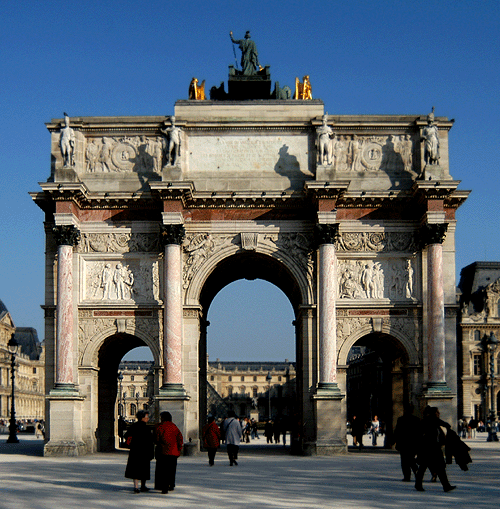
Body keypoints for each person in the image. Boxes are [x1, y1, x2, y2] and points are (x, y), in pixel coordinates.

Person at [415, 407, 456, 492]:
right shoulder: (432, 420)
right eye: (437, 412)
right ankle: (445, 485)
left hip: (431, 447)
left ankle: (419, 484)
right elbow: (446, 424)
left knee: (425, 467)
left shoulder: (427, 421)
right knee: (430, 467)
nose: (439, 413)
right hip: (431, 448)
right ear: (434, 413)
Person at [124, 410, 154, 493]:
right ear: (142, 418)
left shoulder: (133, 426)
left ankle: (136, 487)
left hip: (135, 450)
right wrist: (152, 453)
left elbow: (126, 435)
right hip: (144, 451)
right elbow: (150, 441)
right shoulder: (146, 428)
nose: (148, 418)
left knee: (135, 469)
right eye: (147, 417)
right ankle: (143, 486)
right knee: (144, 469)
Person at [154, 411, 183, 494]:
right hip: (173, 452)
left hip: (162, 451)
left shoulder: (159, 426)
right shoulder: (174, 427)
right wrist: (179, 449)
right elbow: (180, 439)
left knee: (163, 470)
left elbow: (156, 439)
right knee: (171, 469)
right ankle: (171, 485)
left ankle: (164, 487)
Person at [394, 404, 420, 482]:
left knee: (405, 461)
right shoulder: (416, 420)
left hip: (404, 443)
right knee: (410, 459)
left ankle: (407, 476)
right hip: (413, 443)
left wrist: (395, 441)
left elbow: (397, 432)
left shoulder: (401, 419)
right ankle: (416, 471)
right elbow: (419, 433)